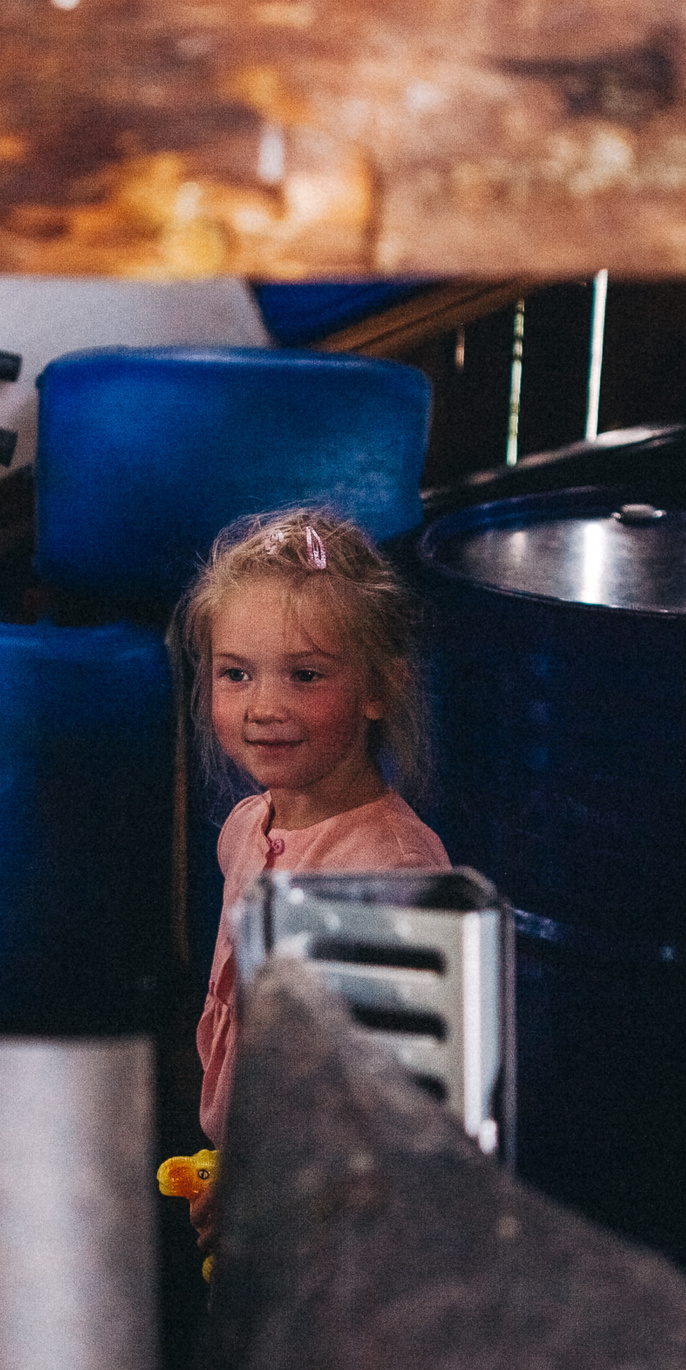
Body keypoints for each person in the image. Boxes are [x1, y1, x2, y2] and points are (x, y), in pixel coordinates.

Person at [169, 506, 449, 1248]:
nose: (264, 707)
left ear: (377, 688)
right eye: (236, 674)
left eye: (305, 674)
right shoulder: (243, 833)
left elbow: (390, 1113)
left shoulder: (388, 870)